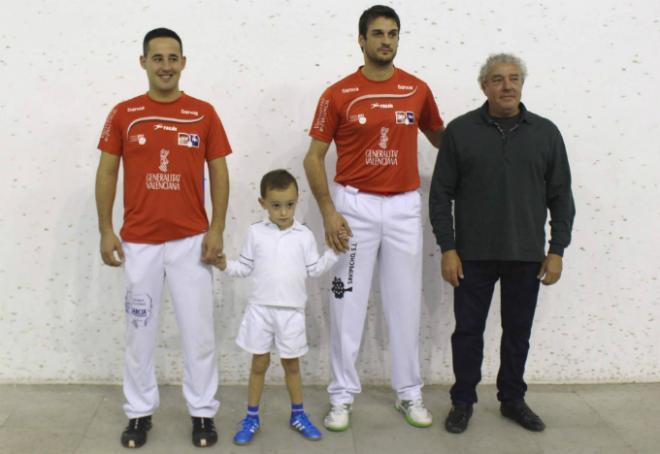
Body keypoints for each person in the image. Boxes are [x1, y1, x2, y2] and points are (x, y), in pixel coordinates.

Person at [303, 5, 444, 431]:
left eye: (393, 34)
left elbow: (443, 140)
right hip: (354, 209)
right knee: (346, 303)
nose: (386, 41)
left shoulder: (417, 90)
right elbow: (314, 157)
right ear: (361, 40)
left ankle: (409, 393)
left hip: (403, 208)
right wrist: (329, 210)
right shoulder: (338, 93)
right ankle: (342, 397)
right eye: (378, 34)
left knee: (404, 303)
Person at [94, 28, 231, 448]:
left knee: (199, 334)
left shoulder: (203, 113)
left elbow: (220, 173)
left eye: (173, 58)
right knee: (140, 335)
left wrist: (217, 228)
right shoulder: (124, 113)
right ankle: (138, 414)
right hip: (140, 244)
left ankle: (203, 413)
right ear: (143, 63)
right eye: (158, 58)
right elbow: (107, 172)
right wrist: (105, 229)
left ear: (184, 62)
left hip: (192, 242)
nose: (166, 66)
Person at [429, 53, 575, 434]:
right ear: (484, 86)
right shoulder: (461, 132)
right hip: (471, 255)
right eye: (497, 79)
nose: (506, 85)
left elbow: (561, 197)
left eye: (513, 78)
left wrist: (556, 249)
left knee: (517, 333)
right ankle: (462, 401)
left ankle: (512, 399)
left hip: (526, 255)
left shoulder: (546, 133)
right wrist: (448, 247)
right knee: (467, 333)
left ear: (522, 85)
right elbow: (440, 195)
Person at [215, 169, 339, 445]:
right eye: (276, 205)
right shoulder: (255, 233)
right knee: (258, 363)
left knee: (291, 365)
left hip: (291, 313)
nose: (284, 212)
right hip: (260, 311)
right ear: (263, 203)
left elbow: (315, 269)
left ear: (296, 201)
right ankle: (251, 417)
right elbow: (244, 267)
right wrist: (224, 265)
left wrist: (334, 253)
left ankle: (298, 414)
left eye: (290, 204)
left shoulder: (304, 235)